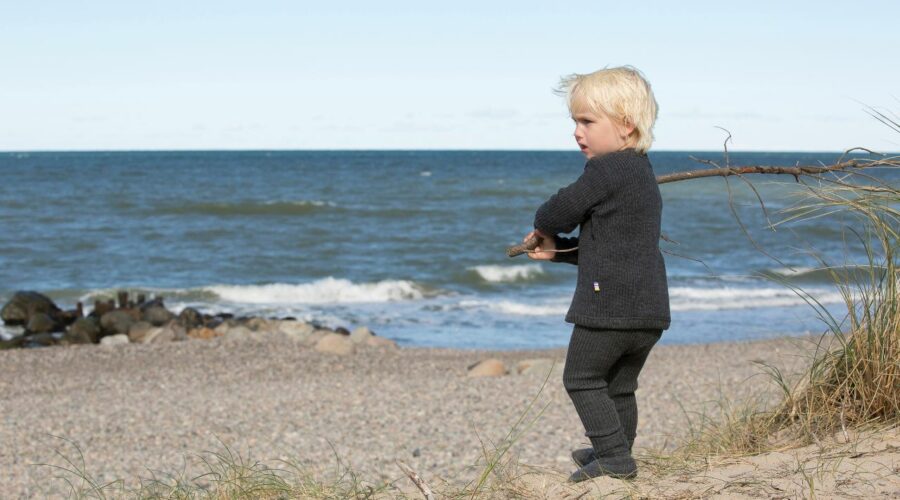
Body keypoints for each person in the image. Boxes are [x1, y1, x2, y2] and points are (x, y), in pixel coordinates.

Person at [523, 65, 671, 482]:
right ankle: (615, 446)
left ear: (625, 126)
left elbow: (559, 211)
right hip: (648, 310)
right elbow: (612, 249)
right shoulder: (640, 173)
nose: (577, 132)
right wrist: (558, 254)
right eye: (575, 121)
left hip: (610, 308)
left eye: (587, 121)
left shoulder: (607, 170)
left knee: (582, 378)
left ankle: (615, 459)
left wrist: (544, 224)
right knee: (619, 386)